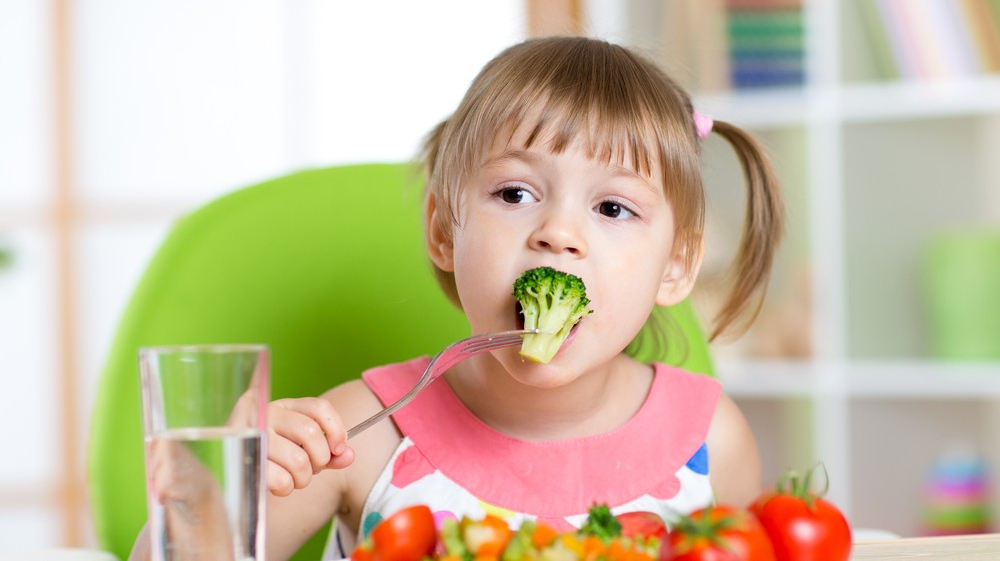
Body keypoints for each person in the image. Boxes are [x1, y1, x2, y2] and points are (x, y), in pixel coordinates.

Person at [131, 35, 784, 561]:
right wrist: (215, 491)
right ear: (445, 232)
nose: (558, 234)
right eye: (515, 195)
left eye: (613, 207)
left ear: (676, 266)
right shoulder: (361, 433)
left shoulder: (712, 440)